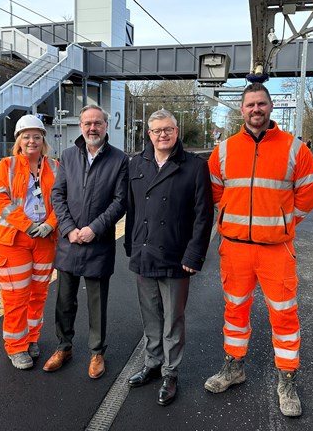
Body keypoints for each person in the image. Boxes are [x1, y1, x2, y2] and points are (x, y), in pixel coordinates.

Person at [205, 83, 313, 417]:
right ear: (241, 110)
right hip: (236, 249)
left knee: (284, 315)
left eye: (261, 104)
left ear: (270, 108)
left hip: (276, 250)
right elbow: (215, 191)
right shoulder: (224, 150)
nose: (256, 109)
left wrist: (284, 222)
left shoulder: (294, 149)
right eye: (250, 104)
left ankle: (287, 380)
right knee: (235, 312)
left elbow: (310, 194)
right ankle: (234, 368)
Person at [124, 109, 213, 406]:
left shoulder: (194, 167)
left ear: (177, 131)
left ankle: (170, 372)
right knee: (150, 315)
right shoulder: (137, 163)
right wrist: (130, 245)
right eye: (157, 130)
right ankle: (152, 364)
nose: (163, 134)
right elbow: (133, 209)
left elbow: (203, 215)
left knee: (173, 319)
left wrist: (195, 254)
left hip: (176, 255)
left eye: (168, 129)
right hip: (144, 252)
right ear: (149, 134)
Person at [43, 104, 128, 379]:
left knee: (97, 303)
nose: (93, 128)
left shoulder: (119, 159)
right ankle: (64, 346)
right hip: (69, 242)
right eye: (88, 123)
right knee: (64, 301)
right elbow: (58, 195)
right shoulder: (68, 156)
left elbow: (120, 201)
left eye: (98, 123)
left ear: (106, 126)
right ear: (81, 126)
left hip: (98, 242)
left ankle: (96, 352)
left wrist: (94, 228)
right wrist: (68, 229)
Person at [0, 114, 59, 370]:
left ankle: (31, 339)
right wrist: (28, 226)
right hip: (13, 241)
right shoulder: (6, 166)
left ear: (43, 140)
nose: (32, 141)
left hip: (44, 240)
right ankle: (16, 347)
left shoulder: (55, 167)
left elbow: (63, 201)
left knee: (38, 294)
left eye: (37, 137)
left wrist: (50, 225)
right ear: (18, 140)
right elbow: (2, 202)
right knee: (16, 296)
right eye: (26, 136)